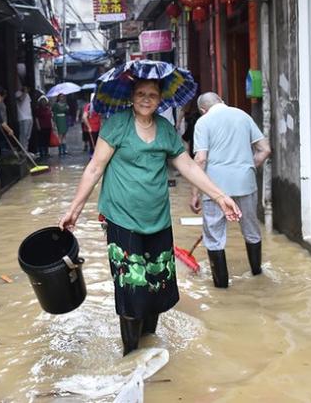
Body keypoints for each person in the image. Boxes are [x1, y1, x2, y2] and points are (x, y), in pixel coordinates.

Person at [58, 79, 242, 356]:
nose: (146, 99)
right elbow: (95, 168)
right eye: (141, 94)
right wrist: (74, 209)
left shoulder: (166, 130)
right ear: (132, 97)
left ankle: (150, 348)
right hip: (121, 218)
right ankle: (131, 356)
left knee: (158, 284)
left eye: (152, 95)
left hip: (157, 220)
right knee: (131, 287)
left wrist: (219, 196)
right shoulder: (117, 125)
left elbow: (188, 166)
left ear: (160, 100)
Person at [189, 92, 272, 288]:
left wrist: (195, 193)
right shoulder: (243, 115)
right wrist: (248, 166)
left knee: (214, 238)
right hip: (245, 182)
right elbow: (265, 149)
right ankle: (257, 274)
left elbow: (200, 159)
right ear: (222, 101)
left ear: (202, 110)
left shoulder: (203, 122)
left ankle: (221, 287)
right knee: (251, 230)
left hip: (215, 188)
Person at [15, 86, 33, 154]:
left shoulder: (27, 94)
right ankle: (23, 150)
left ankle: (26, 150)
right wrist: (24, 92)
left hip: (29, 117)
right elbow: (21, 99)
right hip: (23, 117)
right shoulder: (18, 93)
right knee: (23, 135)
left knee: (28, 135)